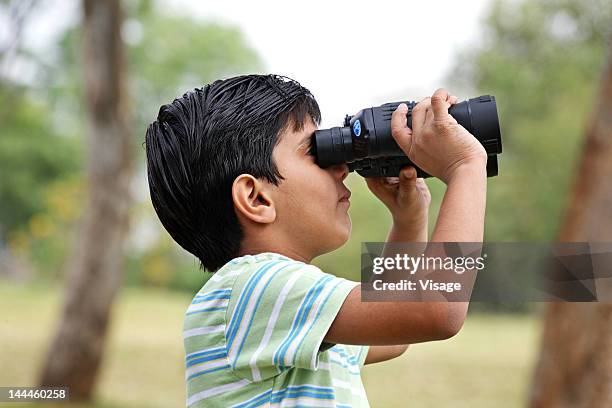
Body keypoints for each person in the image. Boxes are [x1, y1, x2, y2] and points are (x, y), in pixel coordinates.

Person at [144, 74, 487, 407]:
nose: (342, 168)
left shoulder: (281, 312)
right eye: (315, 152)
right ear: (256, 198)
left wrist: (408, 220)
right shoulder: (255, 285)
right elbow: (437, 310)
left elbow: (398, 334)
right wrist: (465, 167)